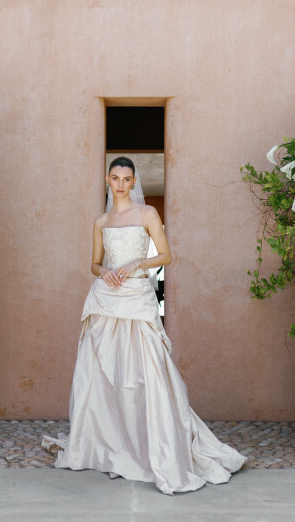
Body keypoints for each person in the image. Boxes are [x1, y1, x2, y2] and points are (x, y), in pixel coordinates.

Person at [42, 156, 246, 495]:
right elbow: (94, 263)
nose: (121, 183)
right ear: (108, 180)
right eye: (115, 178)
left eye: (126, 178)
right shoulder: (100, 220)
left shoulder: (148, 214)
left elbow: (166, 256)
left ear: (134, 181)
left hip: (137, 296)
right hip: (106, 299)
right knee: (103, 371)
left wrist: (137, 261)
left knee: (146, 370)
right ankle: (111, 441)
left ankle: (152, 443)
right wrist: (103, 270)